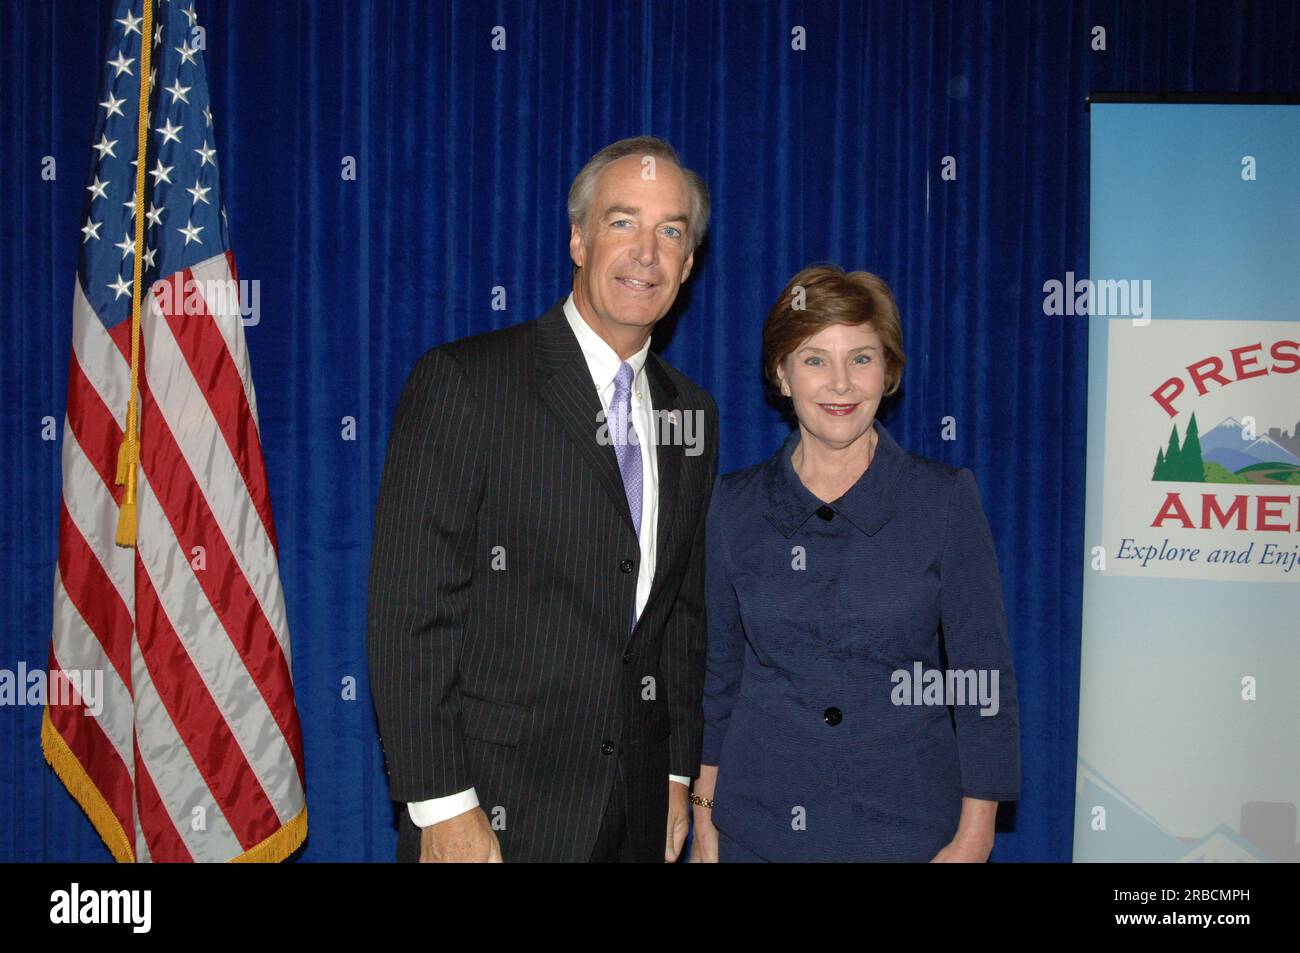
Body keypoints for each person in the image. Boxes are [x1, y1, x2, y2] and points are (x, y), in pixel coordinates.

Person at [366, 136, 718, 862]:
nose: (647, 252)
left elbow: (681, 614)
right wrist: (441, 804)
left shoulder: (694, 414)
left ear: (688, 264)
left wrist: (677, 771)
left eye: (671, 232)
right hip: (492, 813)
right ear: (579, 239)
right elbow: (409, 612)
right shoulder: (466, 382)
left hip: (638, 811)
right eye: (623, 222)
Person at [689, 264, 1019, 862]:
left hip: (910, 834)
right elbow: (719, 677)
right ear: (781, 375)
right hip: (757, 833)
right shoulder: (731, 506)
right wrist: (705, 815)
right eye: (815, 359)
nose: (840, 383)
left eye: (861, 358)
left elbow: (983, 678)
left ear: (889, 372)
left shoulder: (943, 500)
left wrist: (975, 836)